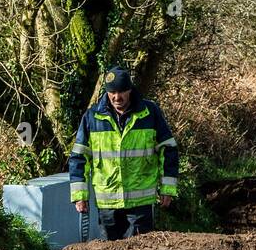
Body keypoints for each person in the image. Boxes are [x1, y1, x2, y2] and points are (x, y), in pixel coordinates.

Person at [68, 66, 179, 239]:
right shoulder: (92, 117)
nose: (117, 97)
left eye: (121, 92)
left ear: (130, 90)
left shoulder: (150, 113)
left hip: (140, 202)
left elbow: (169, 150)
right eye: (112, 92)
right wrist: (80, 196)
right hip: (107, 202)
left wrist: (168, 189)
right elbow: (79, 158)